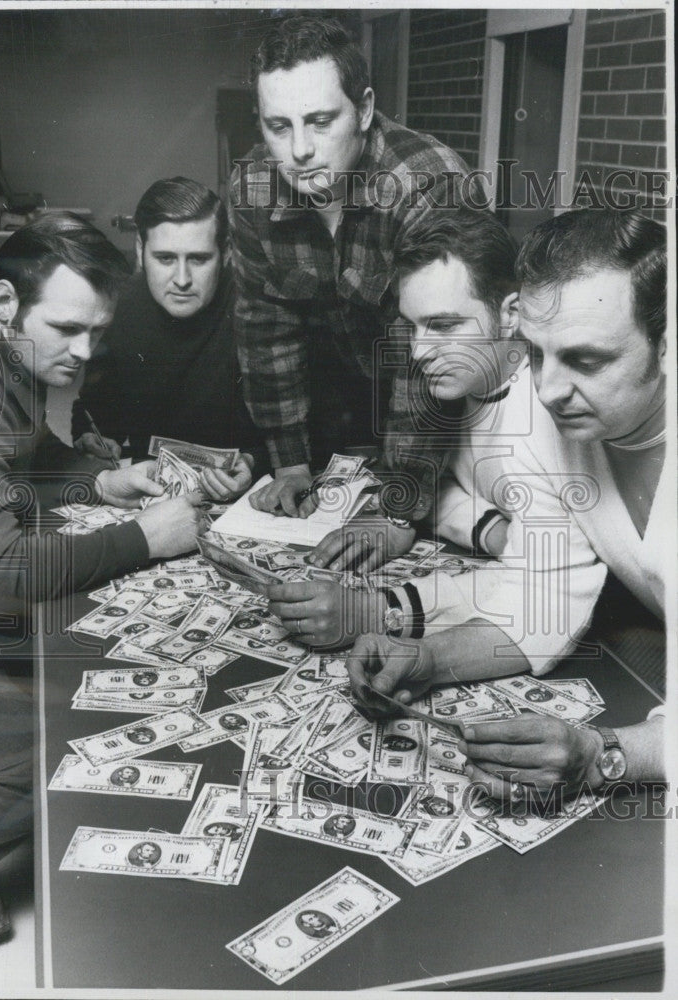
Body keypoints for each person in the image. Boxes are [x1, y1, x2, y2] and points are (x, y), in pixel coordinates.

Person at [346, 207, 667, 797]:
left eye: (586, 359)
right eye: (538, 355)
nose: (545, 390)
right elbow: (538, 600)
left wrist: (605, 755)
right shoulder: (560, 421)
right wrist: (427, 658)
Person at [0, 213, 207, 899]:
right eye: (68, 329)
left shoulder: (6, 349)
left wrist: (101, 480)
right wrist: (143, 539)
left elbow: (30, 457)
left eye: (97, 332)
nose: (84, 351)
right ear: (8, 304)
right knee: (44, 744)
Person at [231, 14, 481, 517]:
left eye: (321, 121)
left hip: (454, 417)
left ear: (364, 110)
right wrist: (291, 465)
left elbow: (431, 354)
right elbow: (267, 331)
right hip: (343, 408)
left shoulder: (430, 183)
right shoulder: (250, 190)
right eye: (278, 126)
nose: (300, 151)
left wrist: (401, 503)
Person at [267, 208, 523, 646]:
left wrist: (376, 611)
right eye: (413, 326)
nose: (420, 351)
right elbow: (439, 489)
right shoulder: (459, 382)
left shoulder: (555, 407)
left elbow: (546, 583)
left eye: (443, 325)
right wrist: (494, 531)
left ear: (510, 314)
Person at [72, 176, 264, 501]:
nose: (182, 280)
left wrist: (253, 461)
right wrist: (92, 437)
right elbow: (96, 413)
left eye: (199, 259)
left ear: (227, 253)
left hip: (244, 497)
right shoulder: (118, 307)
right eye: (165, 259)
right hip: (152, 491)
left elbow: (310, 423)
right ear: (139, 250)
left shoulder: (258, 305)